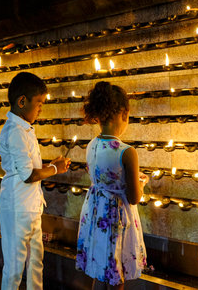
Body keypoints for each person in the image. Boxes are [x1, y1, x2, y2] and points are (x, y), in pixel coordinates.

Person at [0, 72, 71, 290]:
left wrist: (51, 166)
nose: (41, 109)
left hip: (31, 207)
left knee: (35, 261)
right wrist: (54, 169)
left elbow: (30, 168)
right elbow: (28, 175)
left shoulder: (25, 128)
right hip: (17, 208)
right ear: (22, 101)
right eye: (39, 104)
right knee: (14, 267)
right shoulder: (14, 131)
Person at [76, 81, 148, 290]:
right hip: (116, 218)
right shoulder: (127, 151)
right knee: (116, 274)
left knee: (100, 269)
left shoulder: (91, 145)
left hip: (95, 213)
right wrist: (142, 183)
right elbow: (134, 197)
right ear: (124, 113)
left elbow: (102, 177)